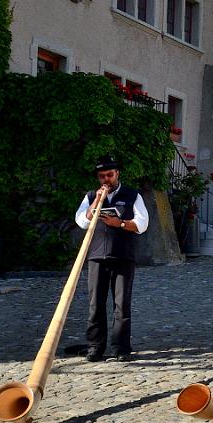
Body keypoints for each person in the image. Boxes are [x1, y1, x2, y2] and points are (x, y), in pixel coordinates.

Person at [75, 155, 149, 362]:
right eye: (102, 176)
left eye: (109, 174)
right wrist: (97, 201)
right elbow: (82, 221)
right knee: (95, 304)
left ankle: (121, 348)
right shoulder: (91, 196)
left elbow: (142, 224)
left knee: (121, 304)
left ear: (117, 174)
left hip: (123, 256)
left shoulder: (132, 195)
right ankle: (95, 346)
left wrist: (122, 224)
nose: (106, 179)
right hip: (97, 256)